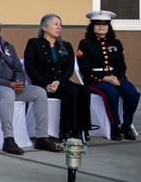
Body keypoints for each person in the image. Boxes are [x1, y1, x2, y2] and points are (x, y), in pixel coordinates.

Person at [0, 12, 62, 155]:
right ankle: (8, 140)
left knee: (40, 92)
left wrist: (19, 82)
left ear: (0, 25)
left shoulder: (7, 45)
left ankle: (42, 137)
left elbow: (18, 68)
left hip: (10, 87)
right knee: (7, 93)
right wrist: (7, 84)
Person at [24, 13, 91, 142]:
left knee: (84, 90)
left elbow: (69, 69)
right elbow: (30, 68)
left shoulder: (66, 46)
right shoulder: (34, 43)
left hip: (61, 82)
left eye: (60, 25)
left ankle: (81, 129)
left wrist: (59, 81)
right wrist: (45, 84)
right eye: (55, 24)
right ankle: (66, 130)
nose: (59, 27)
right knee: (71, 92)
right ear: (44, 27)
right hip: (42, 84)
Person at [76, 10, 140, 141]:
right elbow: (85, 68)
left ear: (108, 27)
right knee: (112, 93)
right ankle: (114, 125)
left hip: (116, 78)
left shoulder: (116, 43)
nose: (101, 27)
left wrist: (118, 78)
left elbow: (121, 65)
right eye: (97, 24)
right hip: (95, 80)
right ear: (92, 27)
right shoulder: (85, 43)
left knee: (132, 93)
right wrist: (103, 78)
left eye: (104, 24)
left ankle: (126, 124)